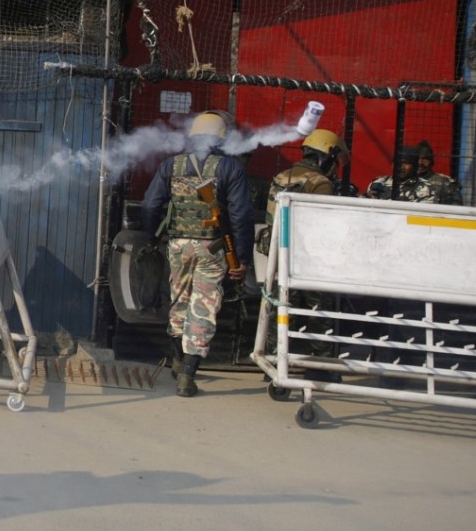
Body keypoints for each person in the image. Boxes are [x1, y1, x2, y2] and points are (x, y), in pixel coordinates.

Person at [141, 111, 253, 397]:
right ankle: (187, 375)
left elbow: (150, 205)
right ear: (222, 139)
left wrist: (152, 239)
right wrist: (242, 258)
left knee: (178, 299)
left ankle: (178, 360)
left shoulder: (171, 165)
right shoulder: (231, 168)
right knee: (203, 306)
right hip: (212, 248)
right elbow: (241, 216)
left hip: (178, 245)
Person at [257, 129, 349, 381]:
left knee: (281, 312)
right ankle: (321, 368)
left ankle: (274, 366)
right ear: (326, 156)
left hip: (280, 257)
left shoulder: (282, 176)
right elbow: (324, 225)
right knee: (319, 313)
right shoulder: (321, 183)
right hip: (310, 261)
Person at [363, 146, 436, 202]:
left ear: (414, 166)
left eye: (406, 163)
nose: (401, 166)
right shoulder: (377, 183)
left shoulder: (426, 189)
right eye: (397, 162)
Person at [415, 140, 463, 205]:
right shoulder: (405, 182)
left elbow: (456, 208)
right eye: (417, 159)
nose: (420, 162)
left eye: (425, 159)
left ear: (431, 161)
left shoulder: (446, 183)